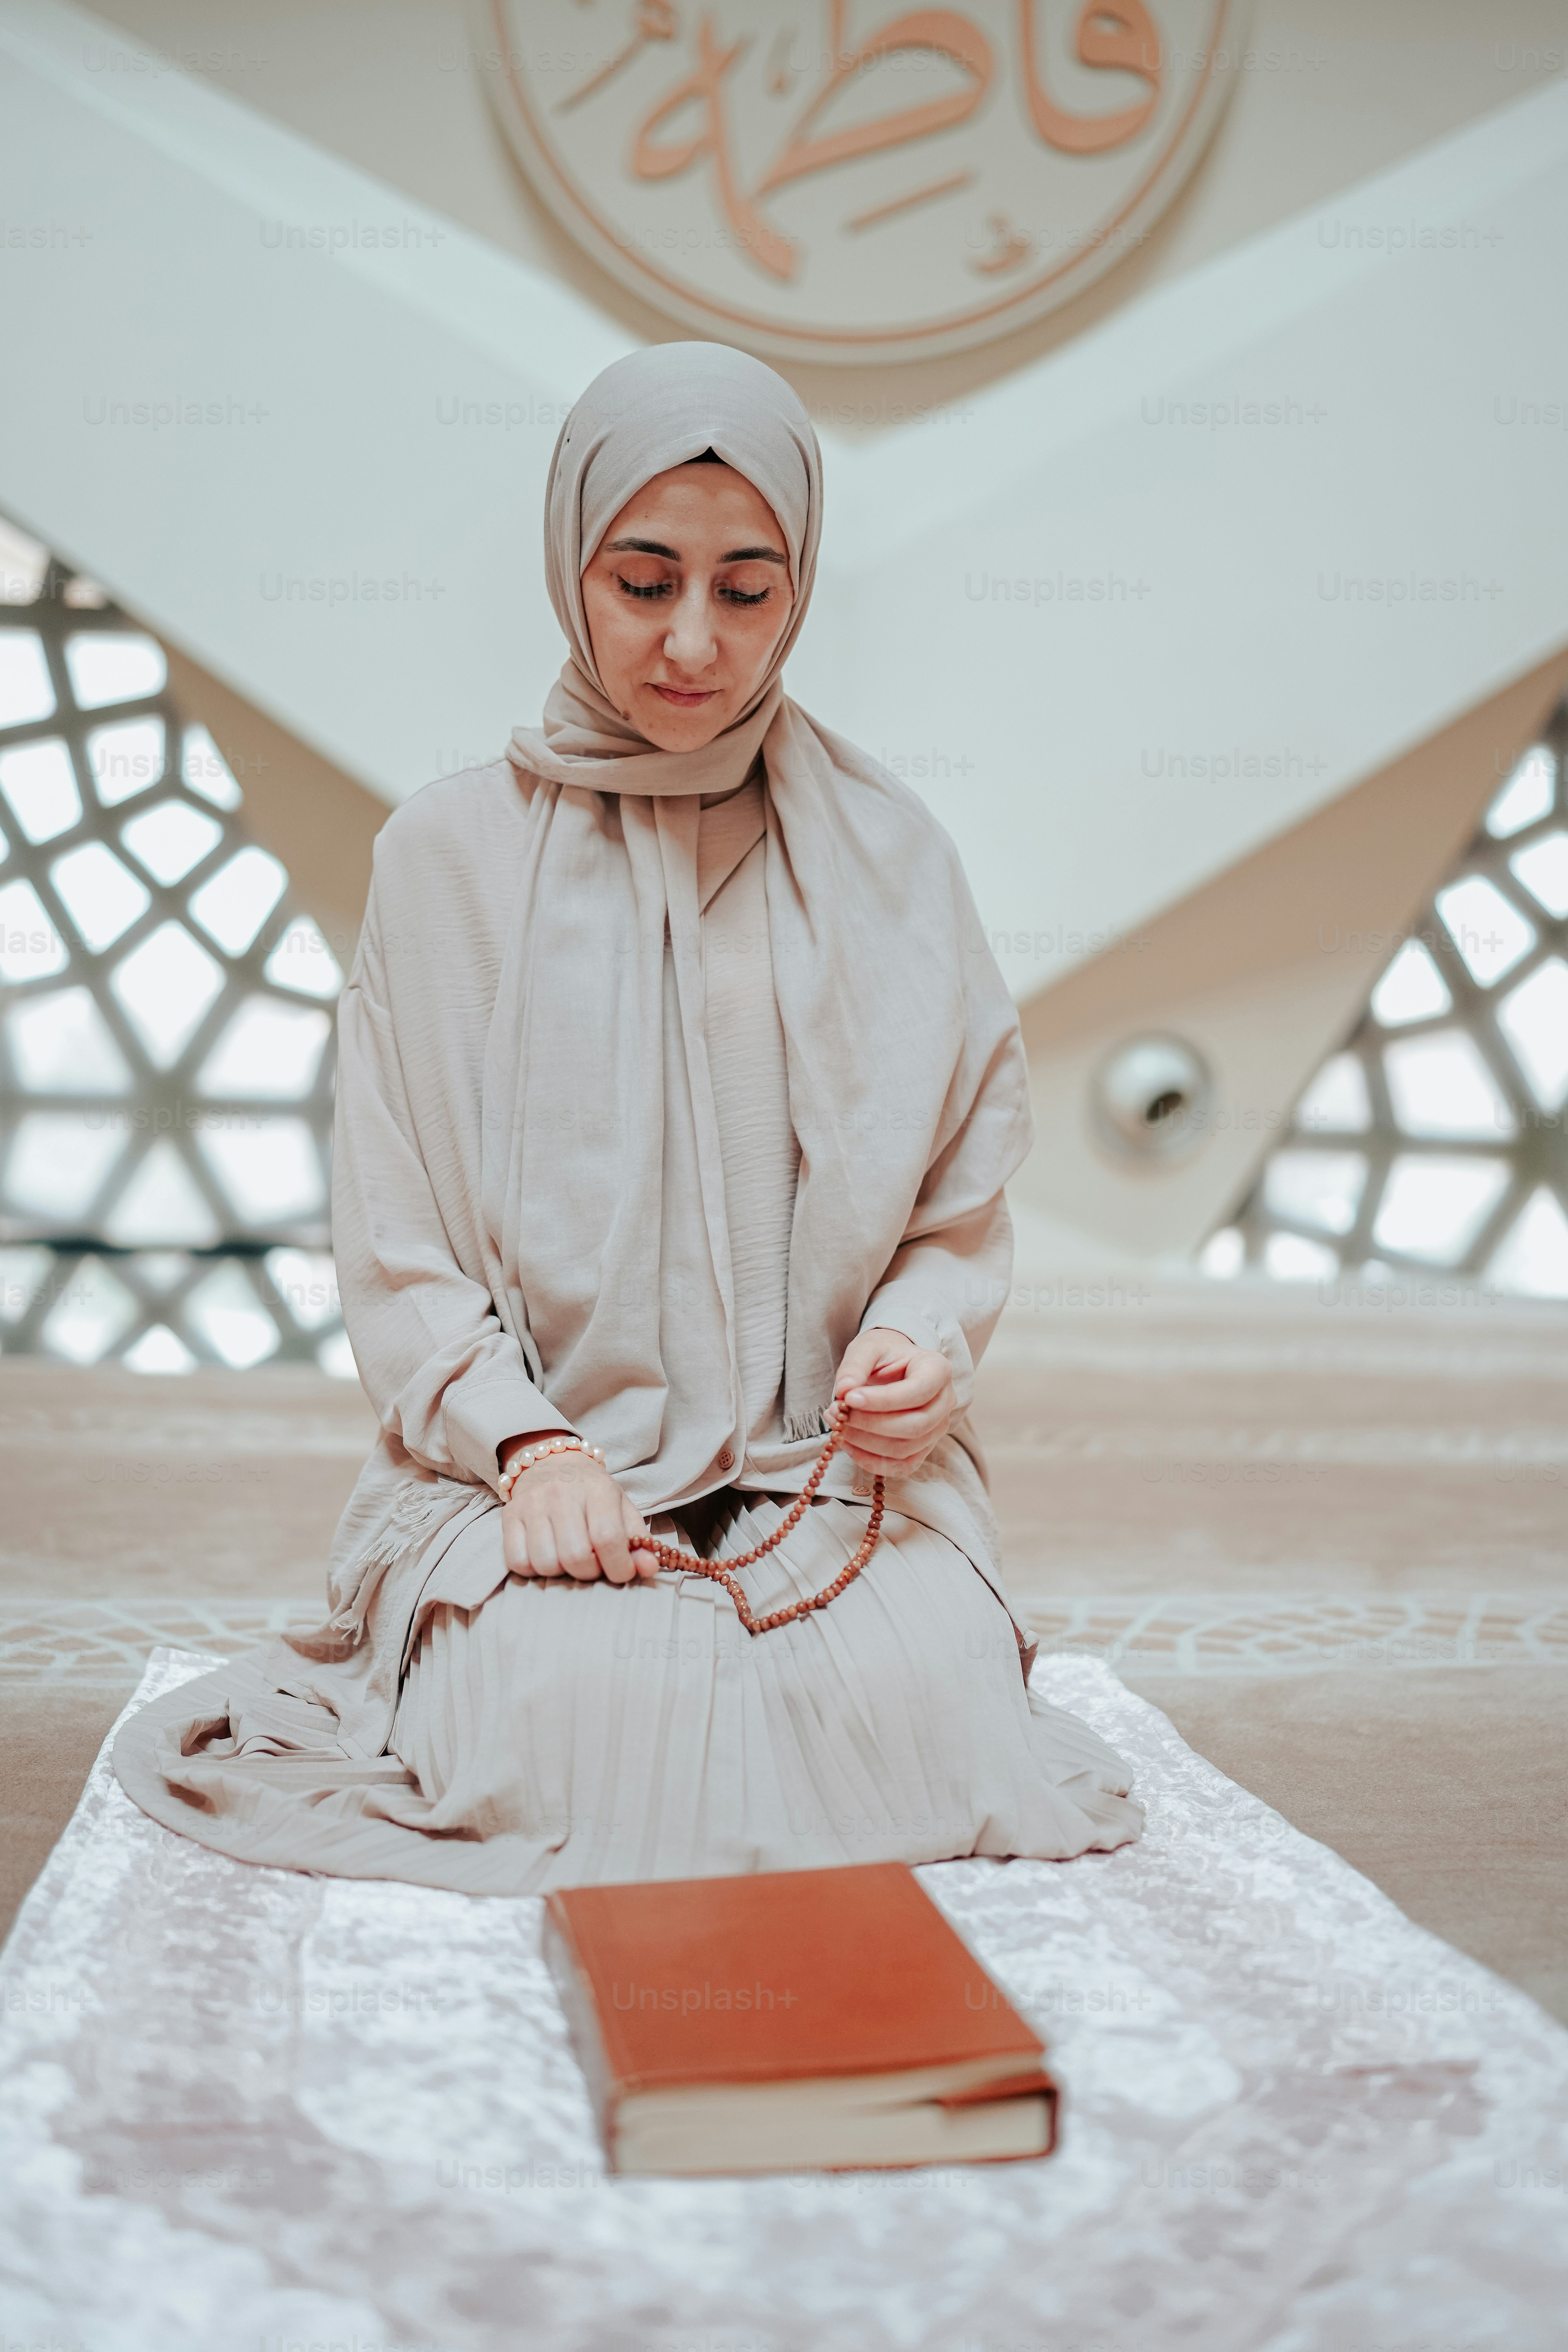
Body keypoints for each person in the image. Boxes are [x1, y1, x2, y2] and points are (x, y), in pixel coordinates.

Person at [113, 342, 1143, 1892]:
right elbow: (400, 1249)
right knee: (559, 1730)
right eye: (643, 579)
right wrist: (530, 1448)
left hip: (824, 1476)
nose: (691, 643)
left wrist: (924, 1348)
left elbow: (953, 1206)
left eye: (746, 589)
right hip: (520, 1479)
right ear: (570, 570)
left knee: (931, 1716)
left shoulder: (891, 855)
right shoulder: (445, 859)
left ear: (800, 590)